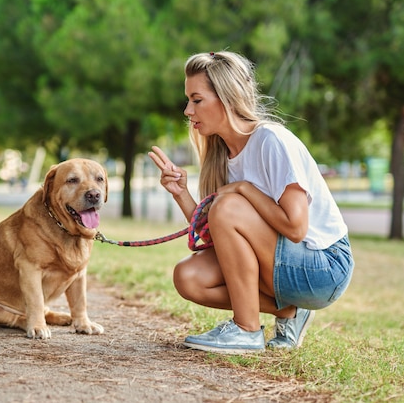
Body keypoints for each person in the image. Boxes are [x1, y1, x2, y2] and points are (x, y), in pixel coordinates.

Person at [148, 51, 354, 354]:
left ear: (227, 98)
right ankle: (288, 312)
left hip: (324, 267)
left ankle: (246, 330)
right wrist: (181, 193)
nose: (187, 110)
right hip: (281, 264)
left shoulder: (270, 140)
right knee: (188, 278)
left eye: (197, 99)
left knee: (228, 206)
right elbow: (218, 233)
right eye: (188, 100)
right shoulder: (221, 156)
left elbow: (296, 228)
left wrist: (243, 188)